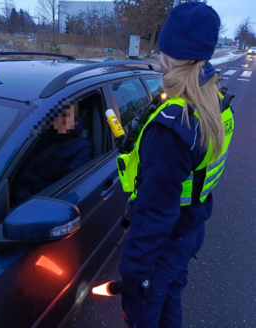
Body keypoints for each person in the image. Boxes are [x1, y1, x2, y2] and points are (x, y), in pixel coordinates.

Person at [118, 2, 234, 327]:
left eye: (161, 52)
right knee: (170, 305)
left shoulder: (173, 126)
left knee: (146, 313)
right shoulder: (215, 105)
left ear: (172, 57)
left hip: (163, 246)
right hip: (189, 231)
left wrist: (133, 275)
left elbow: (155, 214)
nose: (157, 59)